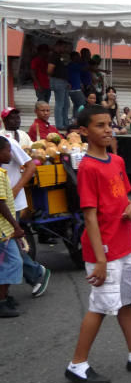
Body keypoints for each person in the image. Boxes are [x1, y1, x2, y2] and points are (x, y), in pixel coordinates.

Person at [66, 104, 131, 383]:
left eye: (108, 124)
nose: (106, 129)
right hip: (104, 251)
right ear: (83, 131)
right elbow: (89, 216)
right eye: (99, 126)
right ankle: (77, 365)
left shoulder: (117, 161)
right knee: (100, 306)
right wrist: (99, 260)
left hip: (124, 246)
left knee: (125, 302)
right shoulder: (88, 167)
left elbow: (124, 199)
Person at [0, 108, 51, 300]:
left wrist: (15, 189)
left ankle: (37, 273)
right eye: (11, 116)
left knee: (9, 245)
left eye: (17, 116)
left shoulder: (9, 143)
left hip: (9, 203)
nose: (16, 119)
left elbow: (30, 166)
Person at [0, 137, 25, 317]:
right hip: (3, 229)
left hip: (4, 228)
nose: (10, 154)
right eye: (7, 150)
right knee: (13, 262)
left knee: (6, 263)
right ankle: (2, 301)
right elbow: (1, 204)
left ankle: (5, 296)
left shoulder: (2, 172)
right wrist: (16, 226)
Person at [46, 40, 70, 131]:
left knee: (66, 103)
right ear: (58, 46)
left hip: (63, 81)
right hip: (57, 80)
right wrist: (53, 77)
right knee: (60, 103)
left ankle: (65, 122)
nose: (64, 49)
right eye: (63, 47)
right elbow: (49, 69)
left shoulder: (59, 55)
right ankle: (59, 124)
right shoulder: (53, 55)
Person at [66, 51, 86, 121]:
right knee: (82, 103)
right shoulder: (74, 65)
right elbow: (86, 68)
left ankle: (75, 118)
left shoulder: (72, 65)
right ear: (73, 57)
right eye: (77, 56)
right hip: (75, 89)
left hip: (75, 88)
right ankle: (78, 119)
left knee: (77, 104)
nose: (79, 57)